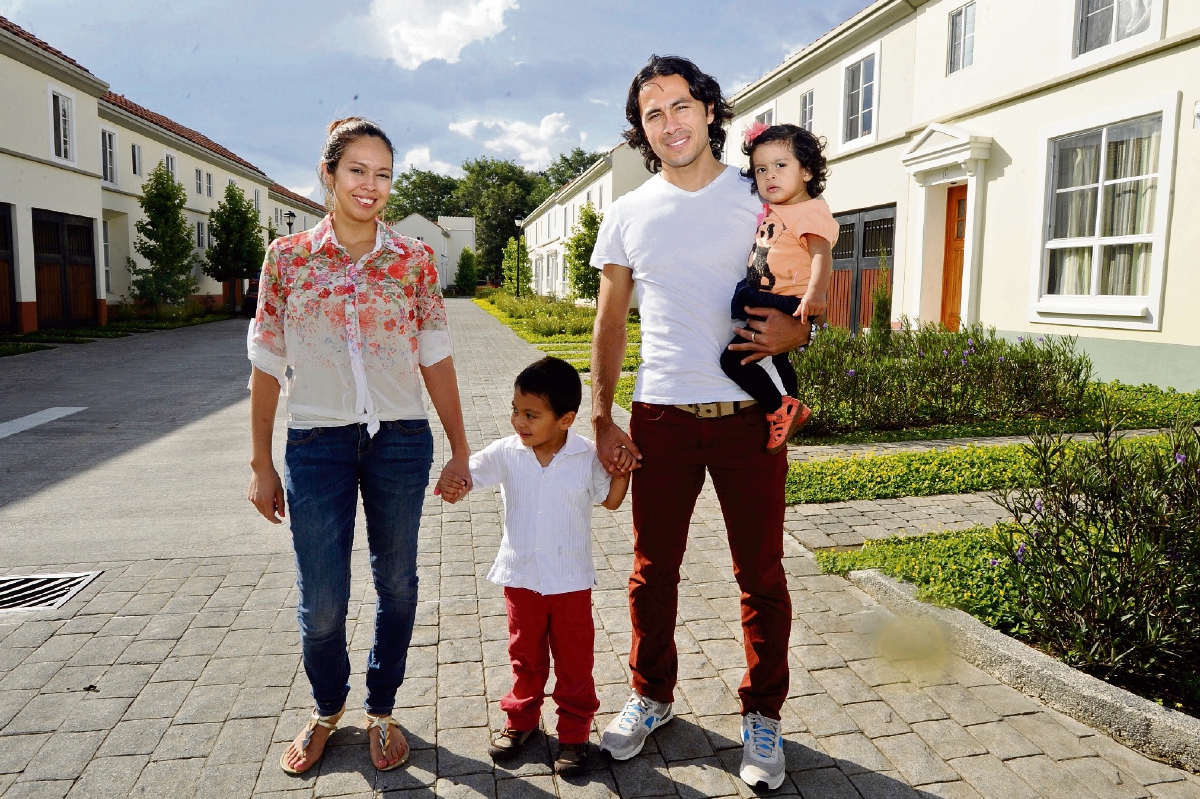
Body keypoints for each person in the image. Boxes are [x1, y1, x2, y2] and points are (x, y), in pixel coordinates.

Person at [588, 56, 813, 791]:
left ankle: (764, 717)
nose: (670, 122)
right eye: (654, 114)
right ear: (643, 132)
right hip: (661, 419)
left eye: (680, 106)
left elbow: (812, 276)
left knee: (761, 574)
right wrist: (601, 412)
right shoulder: (629, 211)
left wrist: (800, 333)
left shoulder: (760, 195)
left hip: (749, 420)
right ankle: (651, 696)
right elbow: (610, 321)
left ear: (710, 110)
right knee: (653, 572)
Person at [246, 117, 472, 775]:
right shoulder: (286, 259)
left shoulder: (414, 261)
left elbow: (437, 358)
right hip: (315, 445)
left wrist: (460, 447)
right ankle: (325, 708)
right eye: (357, 170)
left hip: (401, 441)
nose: (371, 186)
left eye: (383, 174)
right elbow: (264, 365)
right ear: (328, 173)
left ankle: (381, 708)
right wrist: (261, 464)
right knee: (322, 602)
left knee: (397, 583)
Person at [436, 357, 631, 777]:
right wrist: (454, 482)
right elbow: (468, 474)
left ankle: (574, 734)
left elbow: (611, 500)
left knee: (575, 662)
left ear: (566, 419)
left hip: (570, 583)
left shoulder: (585, 455)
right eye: (515, 411)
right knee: (525, 656)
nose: (518, 422)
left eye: (530, 415)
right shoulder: (507, 453)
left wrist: (623, 470)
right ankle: (521, 721)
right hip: (520, 578)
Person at [719, 122, 839, 454]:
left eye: (781, 165)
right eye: (761, 169)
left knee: (733, 360)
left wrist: (817, 294)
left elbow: (821, 254)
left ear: (807, 172)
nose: (769, 175)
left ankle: (779, 408)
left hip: (785, 300)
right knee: (779, 358)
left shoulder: (810, 211)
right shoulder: (780, 209)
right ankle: (790, 405)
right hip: (769, 294)